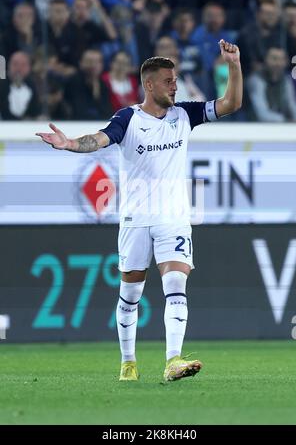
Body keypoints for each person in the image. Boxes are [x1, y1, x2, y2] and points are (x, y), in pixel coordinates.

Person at [36, 40, 243, 382]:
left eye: (175, 80)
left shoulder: (184, 114)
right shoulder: (128, 118)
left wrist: (233, 65)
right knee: (130, 294)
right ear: (149, 84)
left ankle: (173, 360)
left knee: (176, 284)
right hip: (135, 219)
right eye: (168, 81)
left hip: (173, 217)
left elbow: (232, 103)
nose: (175, 85)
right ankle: (128, 363)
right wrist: (70, 144)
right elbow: (100, 139)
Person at [247, 46, 296, 121]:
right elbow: (262, 113)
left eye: (282, 59)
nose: (278, 63)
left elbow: (292, 105)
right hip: (254, 127)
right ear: (266, 60)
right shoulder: (256, 80)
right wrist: (286, 121)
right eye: (274, 59)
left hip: (281, 126)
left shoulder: (286, 80)